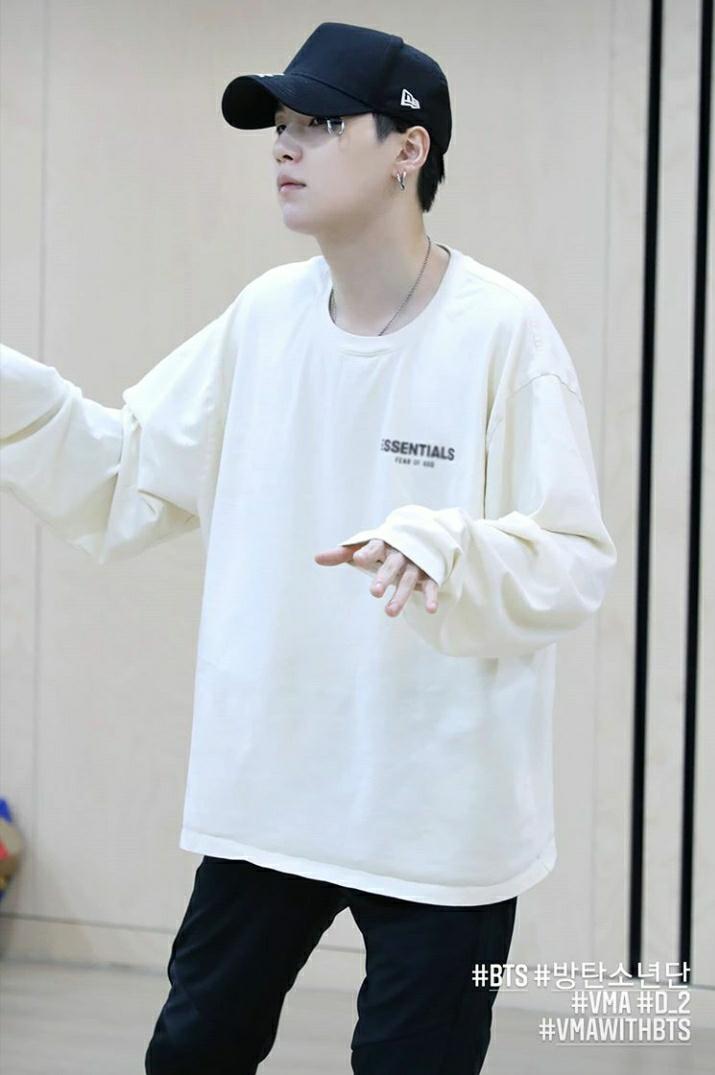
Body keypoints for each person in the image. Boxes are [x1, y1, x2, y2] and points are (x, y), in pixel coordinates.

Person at [0, 20, 618, 1075]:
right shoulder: (264, 317)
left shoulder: (501, 332)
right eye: (280, 124)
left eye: (320, 123)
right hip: (270, 794)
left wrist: (449, 547)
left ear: (408, 149)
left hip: (438, 817)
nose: (285, 144)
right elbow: (128, 474)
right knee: (192, 1054)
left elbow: (572, 557)